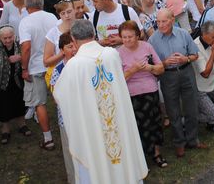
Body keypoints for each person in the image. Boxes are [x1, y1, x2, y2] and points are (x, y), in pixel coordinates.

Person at [54, 20, 148, 182]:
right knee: (122, 153)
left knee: (96, 158)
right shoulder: (111, 54)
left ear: (74, 40)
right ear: (94, 34)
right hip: (117, 120)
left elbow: (59, 95)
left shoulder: (74, 65)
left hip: (92, 126)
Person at [148, 9, 203, 157]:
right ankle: (179, 142)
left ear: (172, 20)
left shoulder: (183, 34)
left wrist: (186, 59)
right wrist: (164, 63)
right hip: (168, 76)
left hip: (186, 72)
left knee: (191, 107)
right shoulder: (153, 40)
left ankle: (192, 139)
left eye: (164, 21)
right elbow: (151, 64)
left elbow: (195, 55)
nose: (160, 25)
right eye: (158, 22)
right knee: (173, 111)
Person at [117, 21, 167, 168]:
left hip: (150, 90)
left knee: (154, 122)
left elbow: (161, 68)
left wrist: (149, 67)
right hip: (132, 94)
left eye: (130, 37)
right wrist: (133, 70)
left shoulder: (147, 46)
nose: (127, 40)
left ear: (138, 35)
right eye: (124, 37)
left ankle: (156, 152)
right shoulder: (118, 53)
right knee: (138, 126)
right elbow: (118, 79)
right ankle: (141, 156)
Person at [18, 0, 57, 150]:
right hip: (53, 63)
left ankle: (48, 138)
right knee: (59, 98)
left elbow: (26, 47)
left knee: (40, 103)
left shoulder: (25, 22)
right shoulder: (52, 17)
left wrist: (24, 68)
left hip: (35, 67)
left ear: (27, 7)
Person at [0, 25, 30, 145]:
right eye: (5, 38)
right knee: (3, 104)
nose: (8, 40)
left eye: (10, 37)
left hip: (17, 79)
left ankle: (22, 124)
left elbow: (28, 54)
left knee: (20, 101)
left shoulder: (19, 43)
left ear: (14, 36)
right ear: (0, 37)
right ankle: (5, 130)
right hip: (1, 80)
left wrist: (19, 57)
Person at [49, 33, 78, 184]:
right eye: (69, 46)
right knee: (69, 150)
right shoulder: (58, 70)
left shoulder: (83, 65)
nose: (74, 49)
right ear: (62, 50)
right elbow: (56, 98)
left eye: (75, 45)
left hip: (84, 117)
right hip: (67, 118)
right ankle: (73, 179)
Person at [43, 0, 76, 72]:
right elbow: (46, 62)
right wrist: (63, 53)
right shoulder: (53, 33)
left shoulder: (83, 27)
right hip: (62, 72)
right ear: (59, 15)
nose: (67, 16)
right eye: (63, 13)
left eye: (69, 12)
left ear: (74, 10)